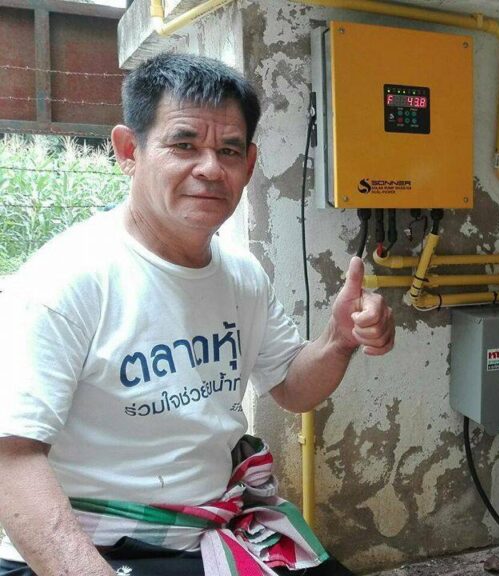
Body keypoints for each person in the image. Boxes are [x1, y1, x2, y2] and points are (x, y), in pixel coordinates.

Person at [0, 53, 395, 576]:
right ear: (129, 151)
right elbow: (11, 458)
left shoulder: (241, 275)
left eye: (228, 150)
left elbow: (291, 387)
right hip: (96, 546)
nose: (210, 168)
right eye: (184, 145)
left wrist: (338, 341)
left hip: (209, 530)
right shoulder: (66, 280)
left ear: (248, 165)